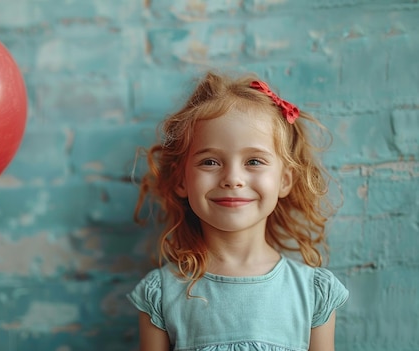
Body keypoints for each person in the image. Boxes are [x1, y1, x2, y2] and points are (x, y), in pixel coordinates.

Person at [128, 71, 349, 351]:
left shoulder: (313, 292)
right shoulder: (160, 293)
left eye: (254, 161)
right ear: (182, 180)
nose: (233, 178)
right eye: (209, 162)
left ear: (284, 180)